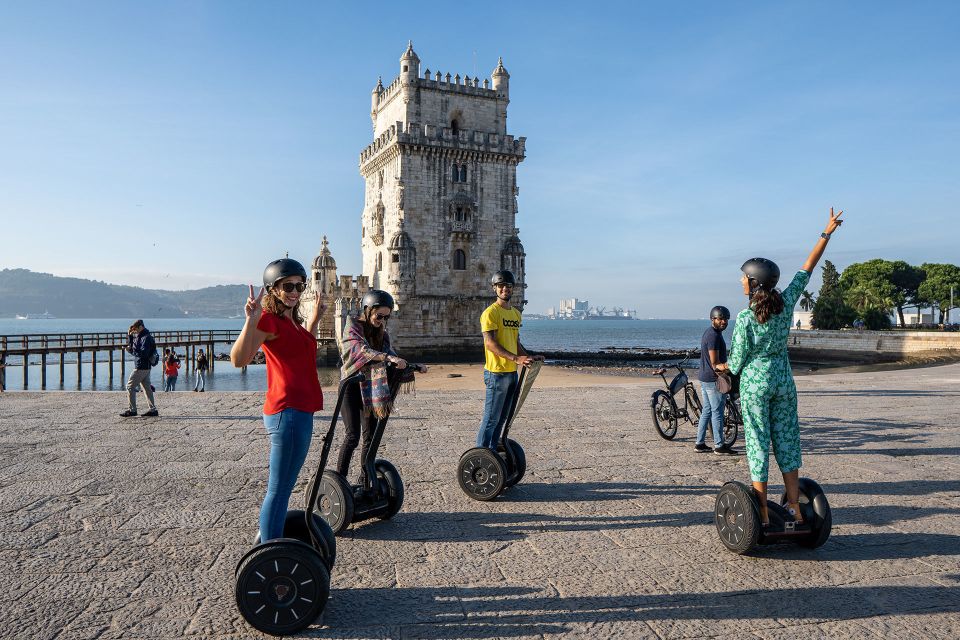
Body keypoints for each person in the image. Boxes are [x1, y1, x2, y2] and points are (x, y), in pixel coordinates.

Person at [718, 207, 844, 527]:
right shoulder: (786, 304)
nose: (740, 281)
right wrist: (826, 232)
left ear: (752, 281)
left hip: (756, 385)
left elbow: (738, 359)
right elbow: (808, 267)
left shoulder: (746, 318)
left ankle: (760, 511)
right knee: (787, 440)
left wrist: (725, 366)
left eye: (743, 277)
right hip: (784, 382)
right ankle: (794, 509)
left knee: (759, 443)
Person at [230, 258, 325, 541]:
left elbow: (300, 354)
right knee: (280, 488)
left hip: (301, 410)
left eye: (300, 285)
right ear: (272, 289)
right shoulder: (268, 320)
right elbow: (238, 360)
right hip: (288, 412)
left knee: (285, 485)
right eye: (288, 286)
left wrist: (314, 322)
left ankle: (270, 540)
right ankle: (269, 551)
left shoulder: (291, 322)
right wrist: (251, 320)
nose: (295, 291)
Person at [337, 289, 426, 488]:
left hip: (370, 388)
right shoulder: (352, 326)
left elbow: (391, 353)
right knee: (352, 436)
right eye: (379, 316)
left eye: (386, 317)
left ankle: (364, 479)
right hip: (351, 386)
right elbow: (360, 349)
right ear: (368, 310)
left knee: (371, 436)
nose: (382, 320)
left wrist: (413, 365)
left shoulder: (382, 333)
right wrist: (388, 358)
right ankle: (339, 481)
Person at [476, 270, 544, 450]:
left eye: (508, 286)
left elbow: (515, 342)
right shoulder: (490, 313)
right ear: (495, 289)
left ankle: (493, 451)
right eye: (501, 286)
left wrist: (527, 356)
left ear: (513, 289)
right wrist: (516, 358)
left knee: (503, 418)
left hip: (511, 373)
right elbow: (490, 343)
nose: (505, 289)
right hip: (496, 373)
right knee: (491, 418)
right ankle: (481, 455)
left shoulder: (515, 314)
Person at [695, 306, 733, 454]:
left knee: (707, 411)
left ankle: (699, 443)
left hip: (705, 377)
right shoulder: (713, 336)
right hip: (713, 379)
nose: (724, 321)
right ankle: (719, 445)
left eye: (726, 319)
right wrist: (731, 365)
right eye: (721, 318)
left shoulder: (712, 333)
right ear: (713, 319)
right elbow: (715, 363)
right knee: (717, 411)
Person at [121, 319, 159, 417]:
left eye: (136, 329)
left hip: (141, 366)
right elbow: (134, 346)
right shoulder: (141, 336)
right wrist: (129, 336)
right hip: (145, 367)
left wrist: (131, 350)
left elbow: (143, 353)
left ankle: (132, 410)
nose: (135, 331)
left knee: (130, 386)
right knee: (147, 388)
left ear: (140, 327)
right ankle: (153, 410)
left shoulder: (145, 338)